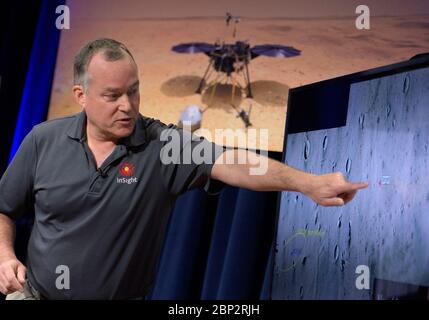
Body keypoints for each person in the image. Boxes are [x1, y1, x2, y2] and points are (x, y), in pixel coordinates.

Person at [0, 38, 368, 300]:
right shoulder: (42, 139)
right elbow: (4, 208)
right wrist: (5, 256)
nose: (127, 106)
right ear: (81, 96)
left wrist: (307, 183)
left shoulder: (163, 145)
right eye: (113, 96)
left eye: (134, 91)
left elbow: (234, 163)